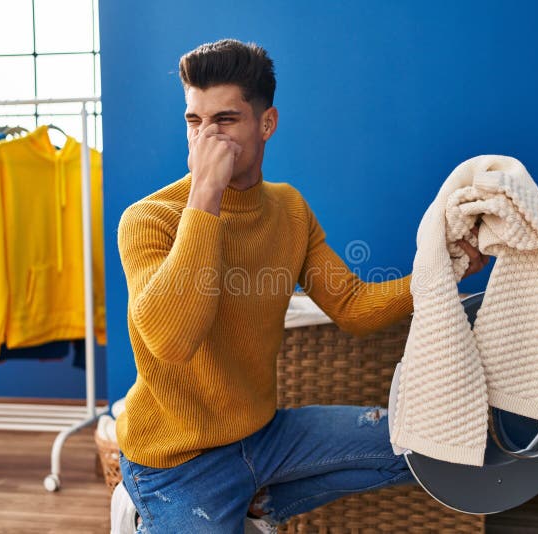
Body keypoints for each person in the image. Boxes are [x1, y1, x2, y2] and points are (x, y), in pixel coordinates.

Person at [115, 38, 489, 533]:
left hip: (263, 437)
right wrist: (205, 195)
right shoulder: (148, 220)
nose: (205, 139)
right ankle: (185, 511)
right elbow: (172, 342)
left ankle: (255, 498)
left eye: (224, 121)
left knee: (431, 444)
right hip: (178, 466)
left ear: (266, 123)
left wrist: (452, 267)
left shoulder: (288, 208)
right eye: (194, 122)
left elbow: (353, 306)